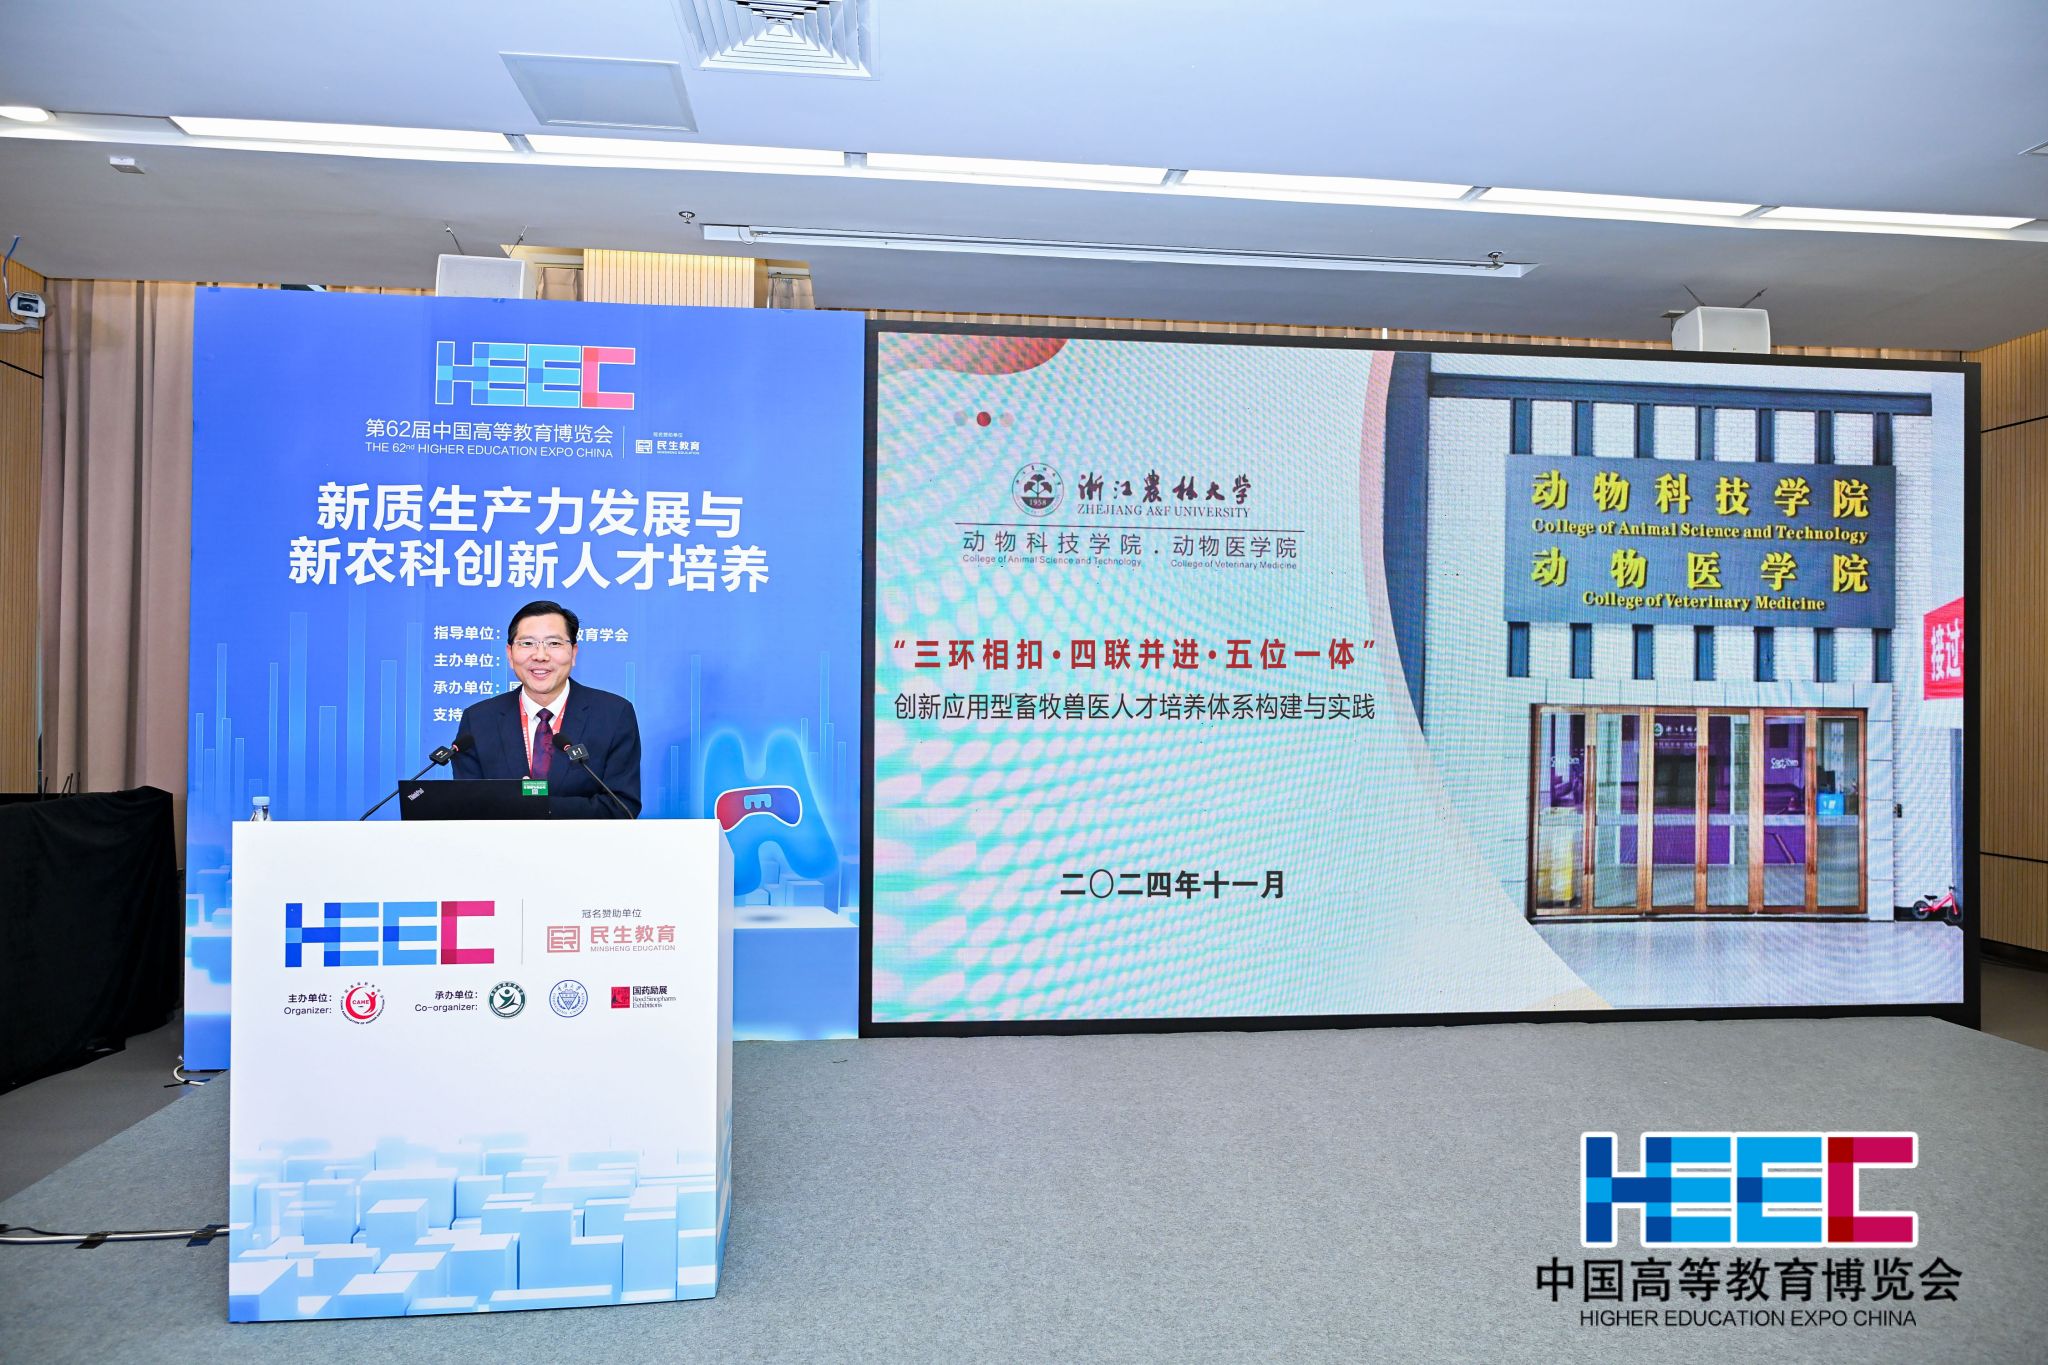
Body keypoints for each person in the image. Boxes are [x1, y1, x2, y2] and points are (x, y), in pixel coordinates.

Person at [452, 600, 642, 818]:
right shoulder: (478, 720)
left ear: (573, 653)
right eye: (527, 643)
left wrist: (540, 807)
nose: (540, 655)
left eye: (554, 643)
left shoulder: (613, 715)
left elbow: (622, 806)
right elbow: (468, 807)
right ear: (510, 654)